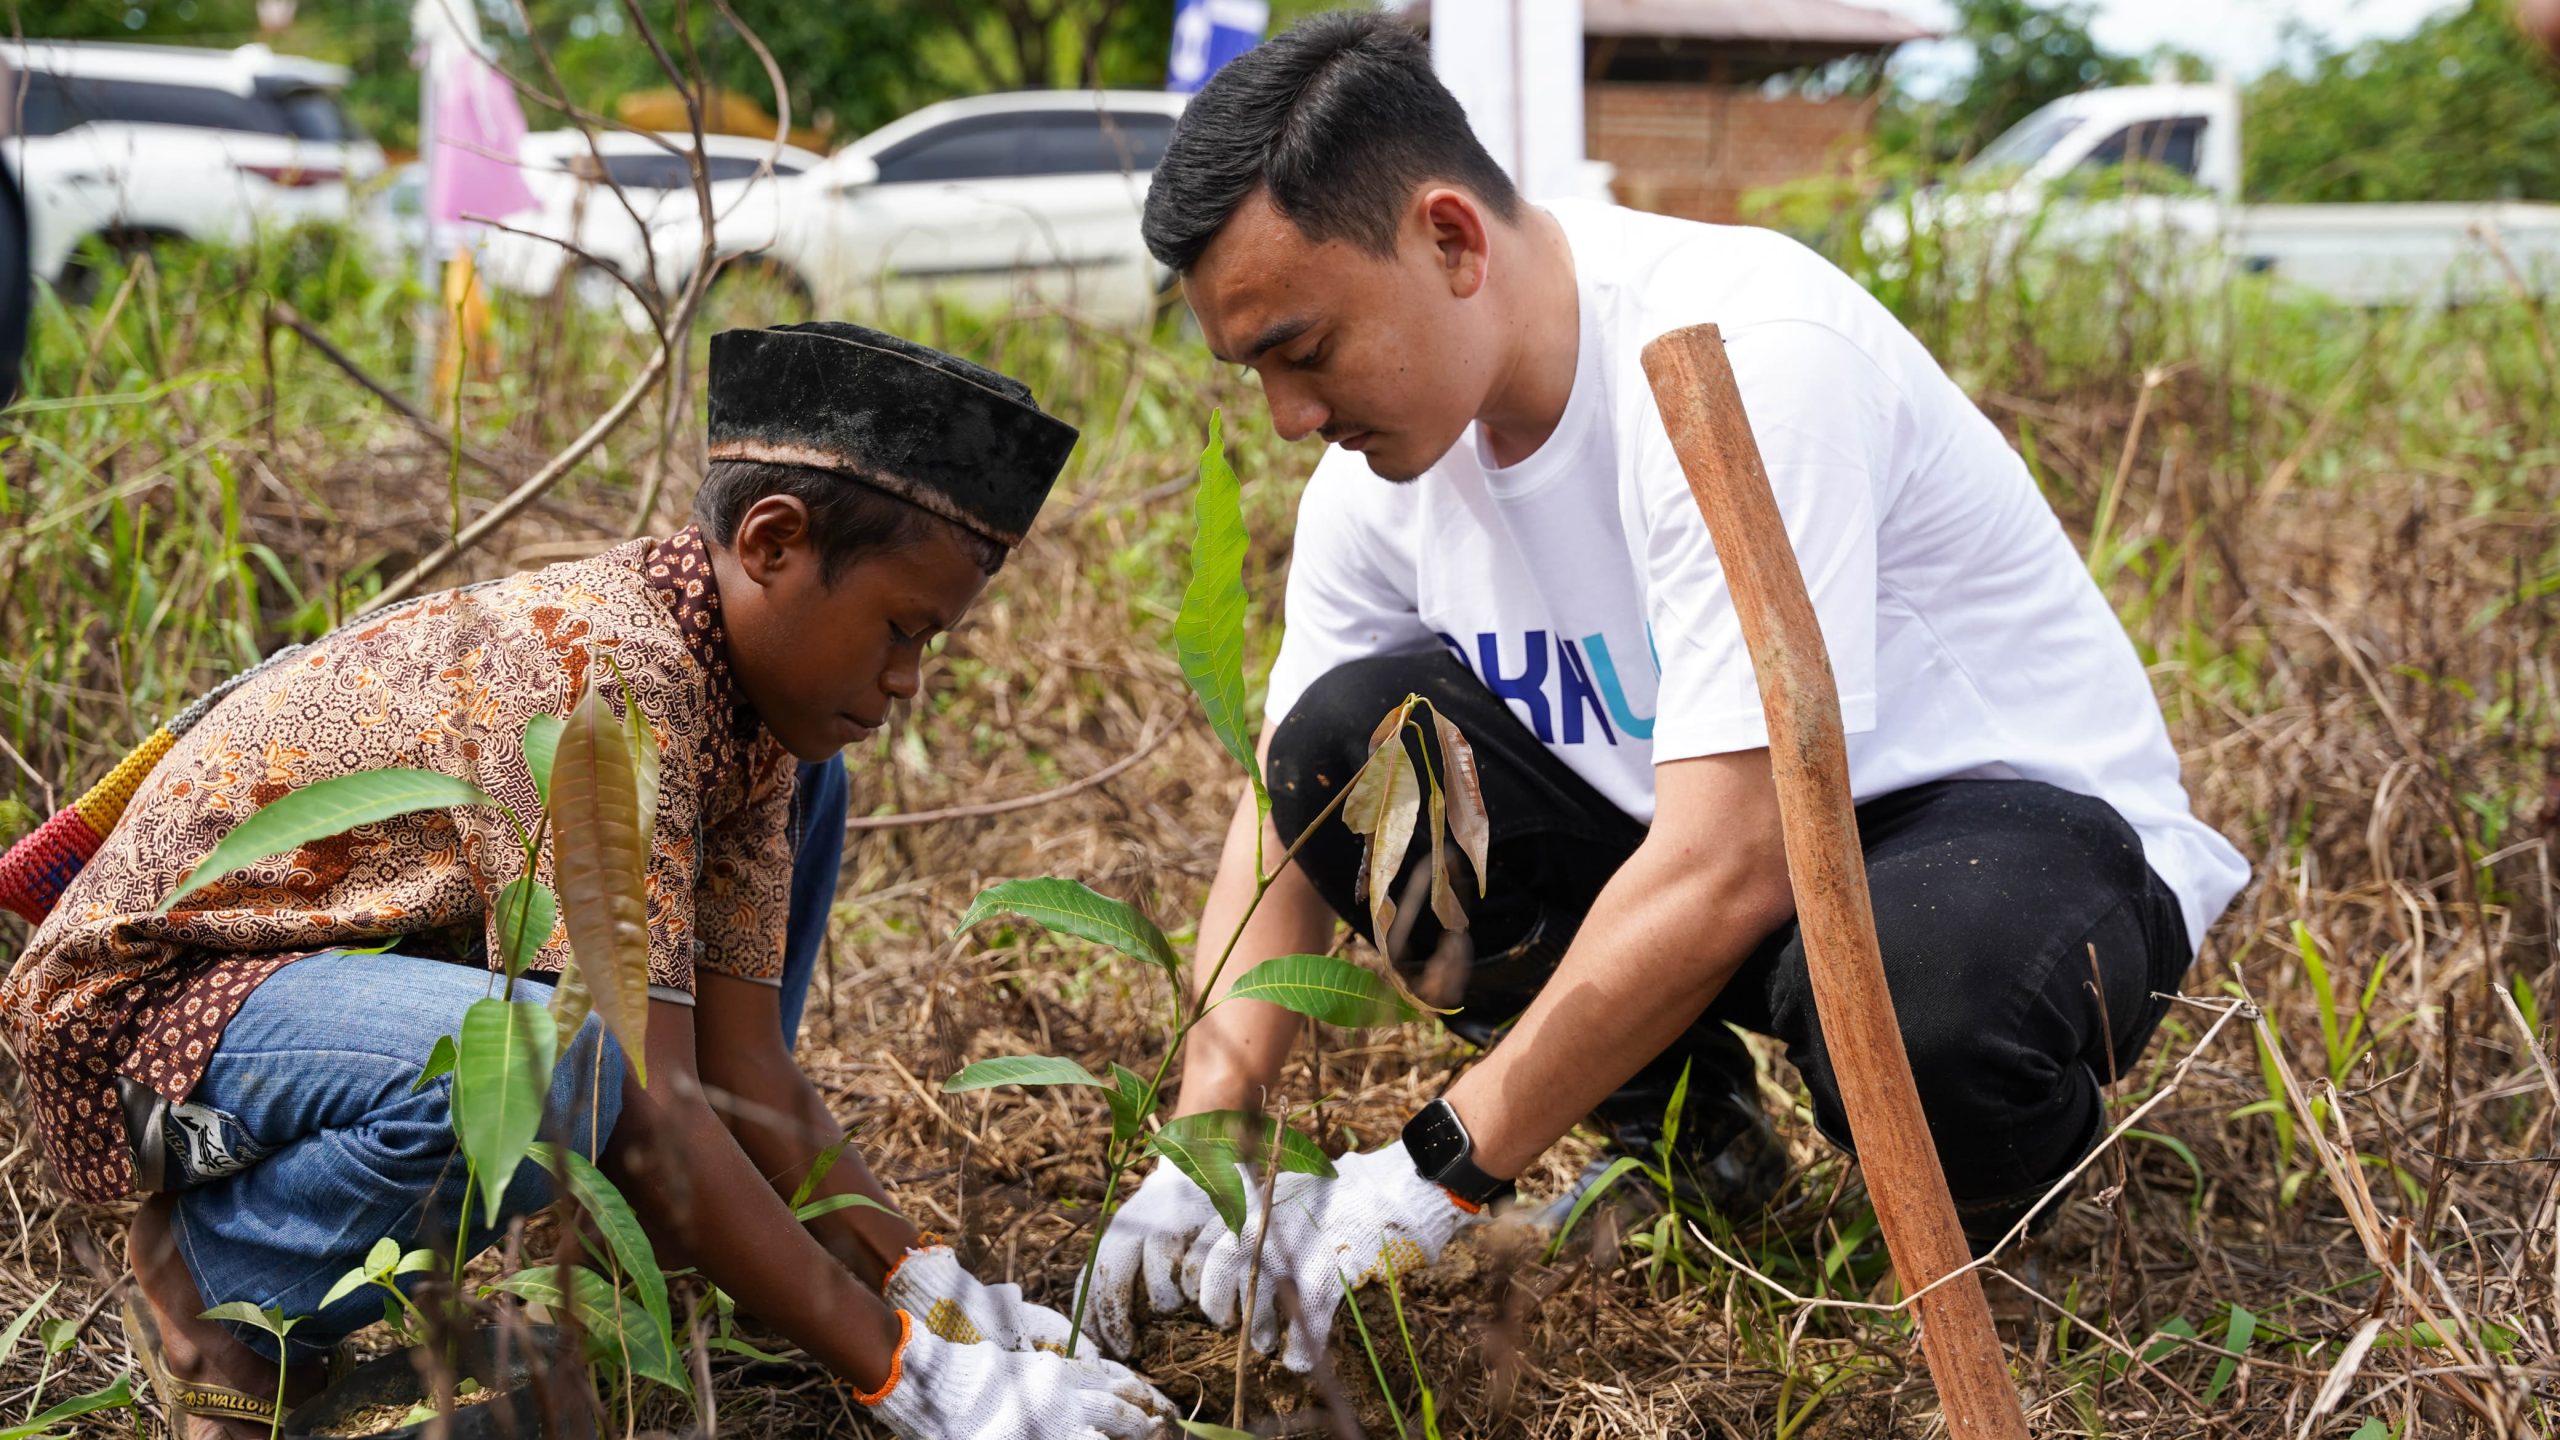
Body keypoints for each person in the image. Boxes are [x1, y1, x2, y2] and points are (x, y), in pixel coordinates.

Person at [1082, 13, 2251, 1374]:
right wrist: (1212, 1125)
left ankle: (2001, 1220)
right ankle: (1701, 1148)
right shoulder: (1379, 483)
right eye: (1257, 373)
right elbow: (1297, 799)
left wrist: (1435, 1172)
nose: (1288, 415)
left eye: (1305, 349)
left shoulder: (1741, 354)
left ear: (1451, 241)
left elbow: (1740, 858)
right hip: (1710, 859)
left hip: (1996, 837)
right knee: (1350, 742)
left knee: (1933, 984)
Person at [3, 322, 1173, 1440]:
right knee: (567, 1059)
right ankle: (219, 1287)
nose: (909, 679)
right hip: (153, 1021)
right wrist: (903, 1376)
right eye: (901, 629)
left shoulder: (741, 709)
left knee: (773, 846)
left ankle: (644, 1260)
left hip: (322, 994)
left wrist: (921, 1281)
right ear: (769, 543)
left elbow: (740, 1061)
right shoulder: (601, 675)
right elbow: (650, 1092)